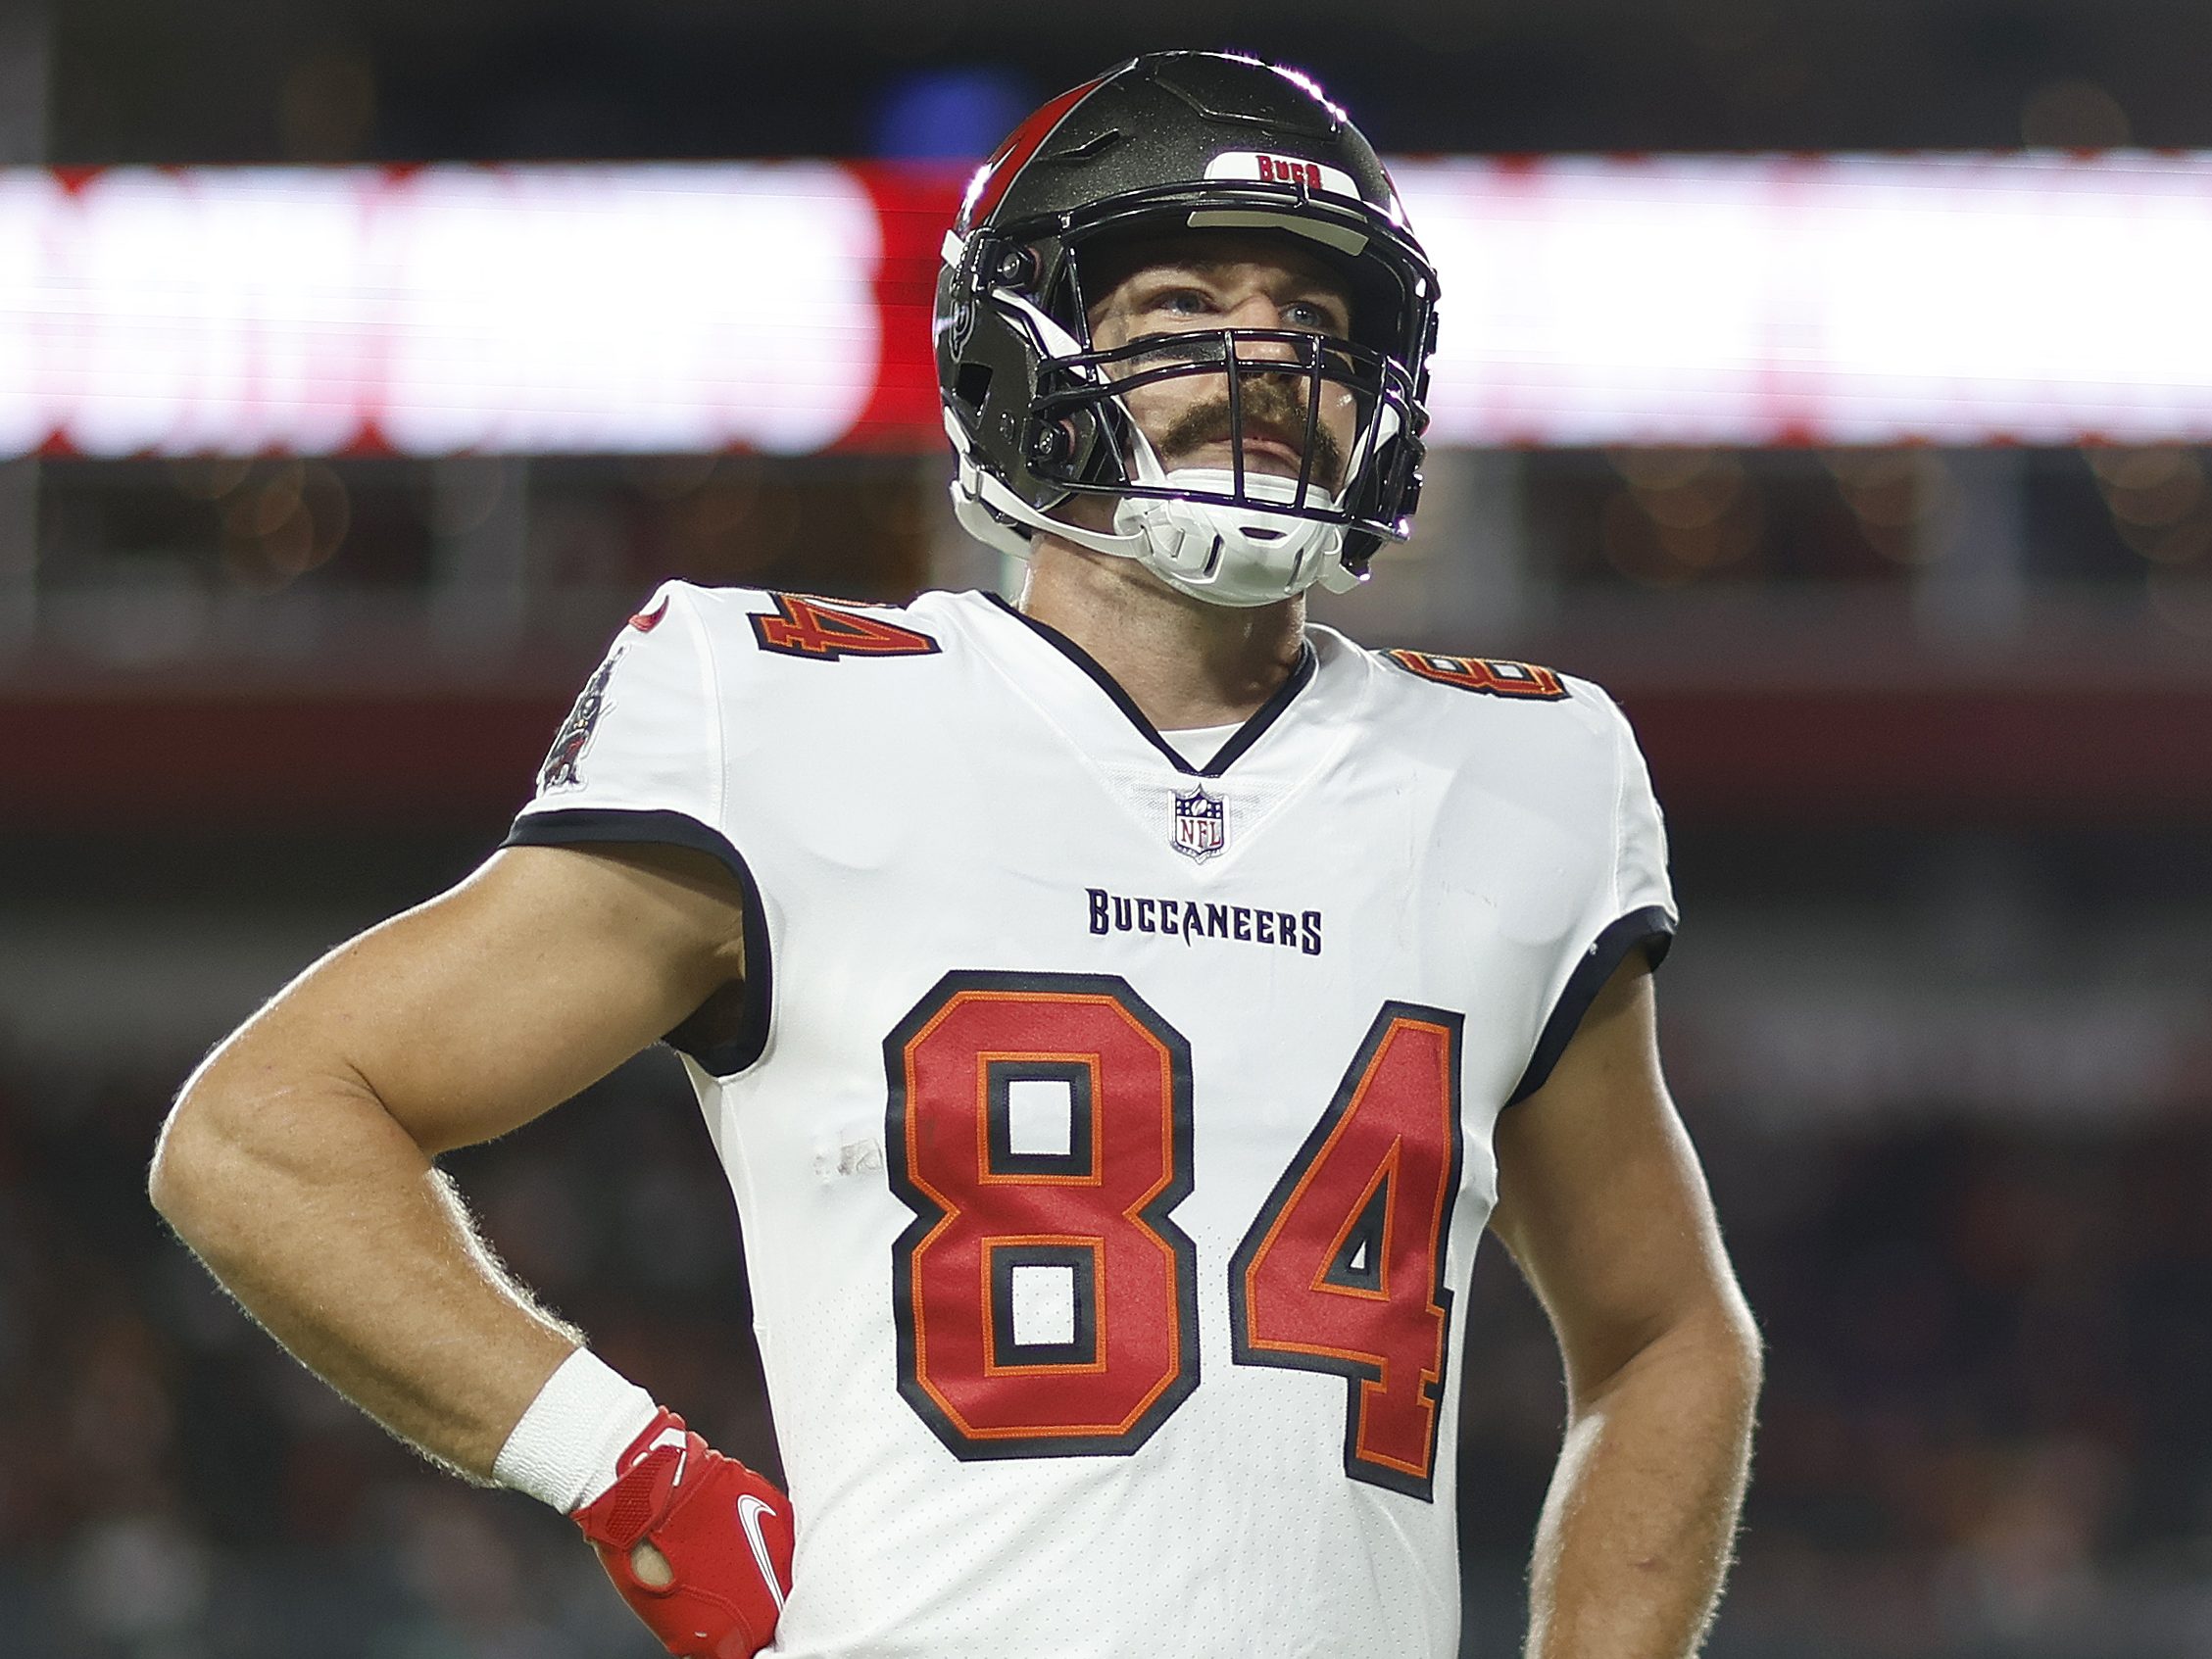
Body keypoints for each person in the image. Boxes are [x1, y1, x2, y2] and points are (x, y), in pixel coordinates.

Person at [148, 50, 1761, 1659]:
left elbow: (1670, 1332)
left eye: (1314, 324)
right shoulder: (778, 711)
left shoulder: (1520, 769)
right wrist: (639, 1482)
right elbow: (262, 1133)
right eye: (1182, 303)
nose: (1262, 358)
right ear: (1017, 352)